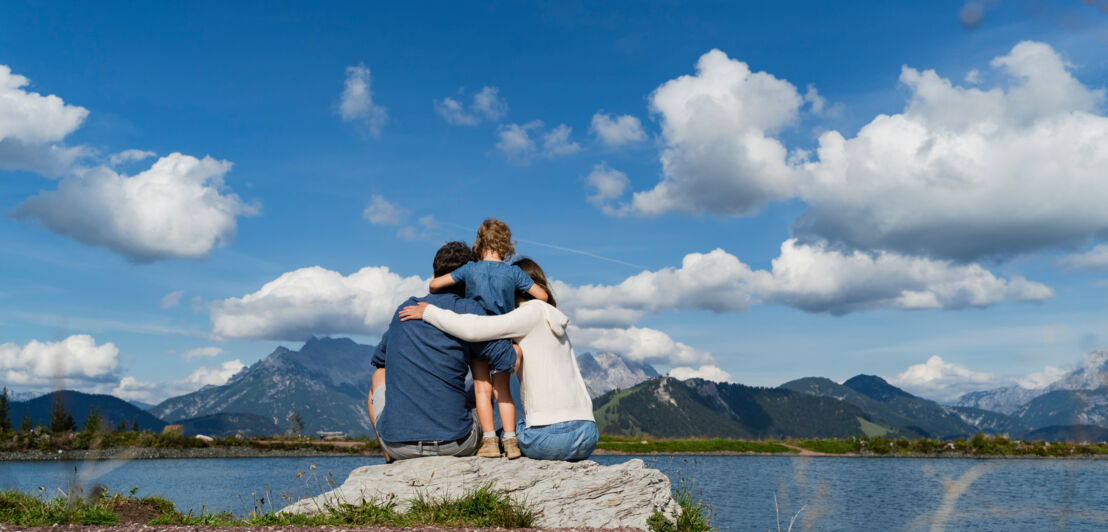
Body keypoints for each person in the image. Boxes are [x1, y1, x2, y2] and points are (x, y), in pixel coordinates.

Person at [400, 258, 598, 461]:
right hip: (588, 434)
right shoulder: (555, 319)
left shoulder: (529, 312)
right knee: (513, 428)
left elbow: (474, 329)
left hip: (550, 436)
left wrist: (429, 312)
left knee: (504, 435)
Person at [368, 241, 518, 462]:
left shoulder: (405, 309)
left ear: (435, 274)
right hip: (456, 443)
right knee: (482, 375)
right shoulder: (470, 310)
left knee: (378, 375)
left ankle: (389, 457)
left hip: (398, 445)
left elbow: (380, 360)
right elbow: (508, 361)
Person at [427, 218, 548, 459]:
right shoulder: (513, 272)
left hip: (477, 335)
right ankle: (511, 442)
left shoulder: (470, 270)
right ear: (507, 247)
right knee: (503, 391)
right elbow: (542, 296)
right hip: (502, 337)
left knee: (482, 389)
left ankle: (490, 442)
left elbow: (434, 285)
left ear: (479, 243)